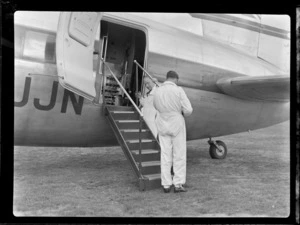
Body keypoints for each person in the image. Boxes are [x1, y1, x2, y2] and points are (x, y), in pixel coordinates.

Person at [153, 70, 193, 193]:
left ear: (166, 78)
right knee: (179, 154)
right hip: (176, 123)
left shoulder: (158, 90)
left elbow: (155, 106)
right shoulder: (178, 90)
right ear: (176, 79)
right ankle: (178, 183)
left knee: (165, 155)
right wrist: (181, 112)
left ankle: (166, 184)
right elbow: (188, 110)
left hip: (162, 122)